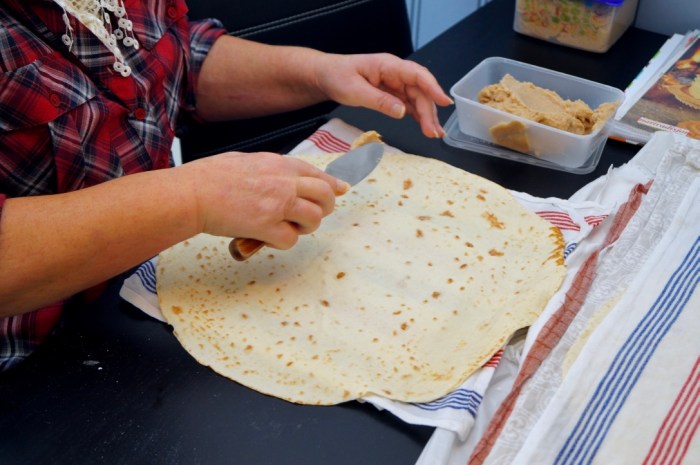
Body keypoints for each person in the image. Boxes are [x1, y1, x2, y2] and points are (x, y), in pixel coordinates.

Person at [0, 0, 452, 370]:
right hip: (36, 372)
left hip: (141, 302)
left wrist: (318, 72)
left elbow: (173, 62)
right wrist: (193, 197)